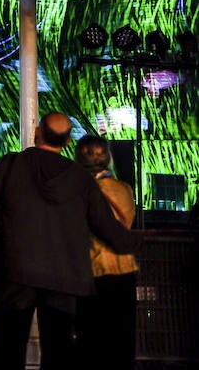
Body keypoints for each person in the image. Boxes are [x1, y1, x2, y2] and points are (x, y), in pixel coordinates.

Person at [0, 113, 140, 370]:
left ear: (37, 133)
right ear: (68, 141)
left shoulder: (11, 165)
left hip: (17, 272)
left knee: (7, 350)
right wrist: (133, 243)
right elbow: (104, 225)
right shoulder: (80, 179)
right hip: (64, 276)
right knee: (58, 352)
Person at [73, 135, 139, 369]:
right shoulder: (124, 189)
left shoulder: (83, 192)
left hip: (94, 271)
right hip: (125, 270)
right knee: (121, 341)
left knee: (91, 342)